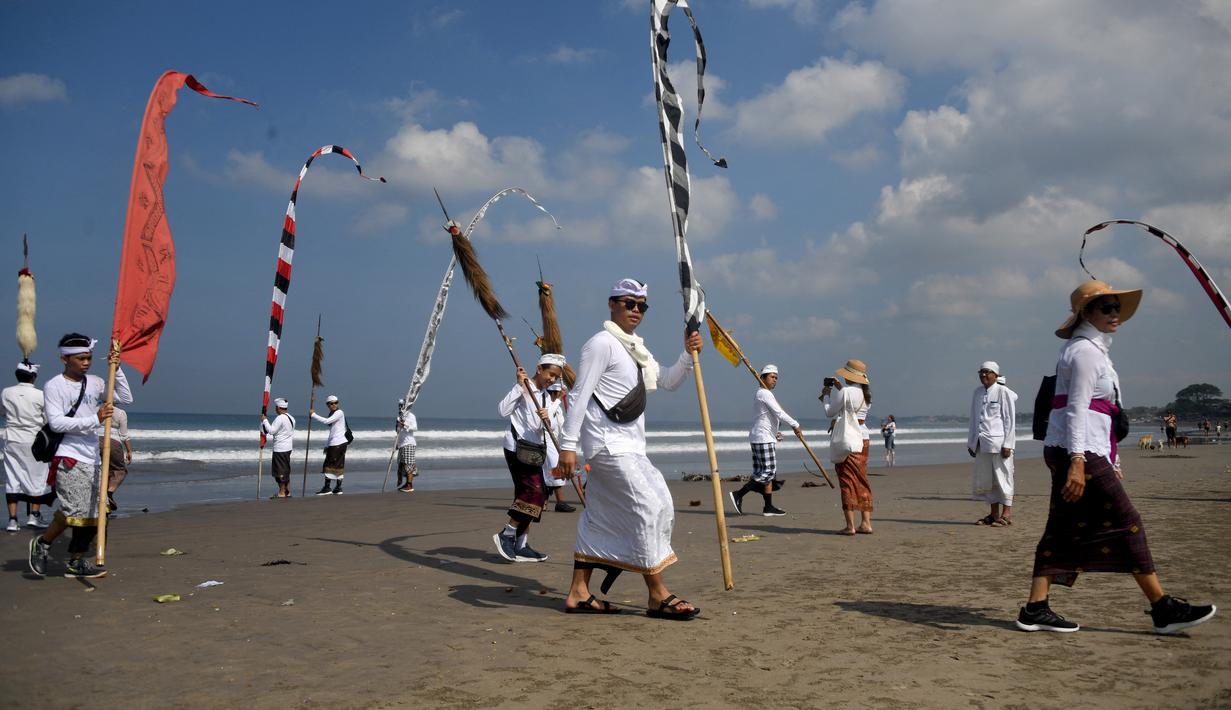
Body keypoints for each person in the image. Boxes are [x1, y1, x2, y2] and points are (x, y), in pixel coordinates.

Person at [1016, 280, 1216, 634]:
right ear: (1086, 313)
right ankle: (1162, 607)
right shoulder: (1085, 353)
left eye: (1117, 308)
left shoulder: (1094, 351)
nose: (1115, 314)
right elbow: (1077, 409)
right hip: (1077, 450)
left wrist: (1113, 460)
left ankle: (1035, 607)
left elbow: (1103, 414)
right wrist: (1078, 461)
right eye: (1106, 307)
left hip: (1080, 448)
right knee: (1128, 521)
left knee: (1061, 527)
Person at [559, 278, 703, 619]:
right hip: (608, 447)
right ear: (612, 304)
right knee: (651, 505)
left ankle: (578, 593)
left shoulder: (636, 348)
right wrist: (568, 446)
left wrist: (688, 352)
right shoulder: (601, 344)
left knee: (601, 517)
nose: (636, 310)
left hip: (632, 446)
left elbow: (667, 380)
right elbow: (578, 395)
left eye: (642, 306)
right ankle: (657, 594)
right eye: (628, 303)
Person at [28, 334, 132, 579]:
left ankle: (75, 560)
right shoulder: (55, 386)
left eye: (89, 358)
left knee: (97, 511)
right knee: (75, 510)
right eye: (81, 358)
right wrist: (93, 420)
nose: (86, 363)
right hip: (69, 455)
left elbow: (125, 398)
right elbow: (56, 423)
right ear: (65, 358)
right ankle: (42, 544)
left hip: (94, 456)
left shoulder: (95, 382)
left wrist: (116, 369)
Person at [493, 353, 565, 562]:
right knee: (534, 492)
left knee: (539, 495)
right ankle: (506, 534)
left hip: (534, 450)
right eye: (550, 374)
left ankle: (521, 544)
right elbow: (502, 411)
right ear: (539, 369)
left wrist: (549, 413)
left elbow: (539, 425)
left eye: (555, 377)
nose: (552, 379)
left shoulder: (542, 395)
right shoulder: (525, 388)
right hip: (517, 448)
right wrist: (518, 386)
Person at [730, 364, 799, 517]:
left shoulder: (763, 394)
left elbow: (768, 418)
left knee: (763, 473)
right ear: (762, 378)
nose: (775, 380)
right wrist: (796, 425)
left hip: (761, 436)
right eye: (772, 377)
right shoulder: (764, 393)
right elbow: (779, 413)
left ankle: (768, 507)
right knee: (768, 472)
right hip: (762, 438)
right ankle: (738, 494)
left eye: (776, 378)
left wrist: (776, 433)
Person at [822, 360, 873, 536]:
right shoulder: (866, 394)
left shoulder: (845, 391)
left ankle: (850, 525)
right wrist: (838, 388)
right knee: (861, 479)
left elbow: (830, 411)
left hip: (849, 439)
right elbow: (853, 408)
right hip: (863, 438)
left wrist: (826, 395)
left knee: (846, 481)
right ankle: (866, 523)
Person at [967, 361, 1018, 527]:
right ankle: (993, 514)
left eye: (987, 372)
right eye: (981, 372)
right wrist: (971, 442)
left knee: (1004, 477)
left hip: (1000, 443)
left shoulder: (1003, 392)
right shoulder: (977, 393)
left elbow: (1010, 419)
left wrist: (1008, 444)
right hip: (982, 443)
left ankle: (1007, 514)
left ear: (996, 375)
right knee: (988, 479)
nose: (983, 375)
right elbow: (974, 419)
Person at [4, 361, 51, 531]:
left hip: (12, 440)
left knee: (13, 478)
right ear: (34, 376)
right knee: (37, 478)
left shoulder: (6, 392)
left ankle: (12, 520)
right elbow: (48, 419)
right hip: (33, 440)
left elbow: (3, 411)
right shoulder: (40, 395)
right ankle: (34, 516)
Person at [544, 381, 576, 513]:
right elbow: (547, 419)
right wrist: (558, 400)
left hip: (556, 441)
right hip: (545, 440)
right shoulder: (546, 405)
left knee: (550, 472)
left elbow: (562, 425)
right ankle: (559, 502)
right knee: (555, 469)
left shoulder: (558, 409)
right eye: (558, 394)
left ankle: (545, 502)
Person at [310, 395, 349, 495]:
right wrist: (327, 445)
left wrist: (313, 415)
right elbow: (332, 431)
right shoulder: (333, 413)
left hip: (338, 443)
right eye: (331, 403)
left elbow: (327, 421)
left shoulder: (339, 412)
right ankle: (338, 488)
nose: (334, 405)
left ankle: (327, 488)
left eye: (336, 402)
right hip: (338, 443)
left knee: (329, 464)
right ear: (328, 405)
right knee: (338, 465)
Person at [260, 398, 295, 498]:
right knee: (286, 470)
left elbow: (271, 430)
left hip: (280, 448)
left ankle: (282, 492)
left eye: (276, 407)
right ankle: (288, 491)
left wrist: (265, 420)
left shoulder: (280, 418)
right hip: (288, 447)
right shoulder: (291, 418)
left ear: (279, 408)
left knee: (279, 471)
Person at [100, 405, 133, 512]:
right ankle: (109, 493)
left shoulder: (95, 407)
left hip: (94, 440)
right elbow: (124, 435)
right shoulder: (120, 413)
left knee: (99, 471)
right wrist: (129, 450)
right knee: (119, 471)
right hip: (112, 441)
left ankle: (100, 497)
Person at [395, 404, 418, 493]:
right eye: (399, 406)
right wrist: (397, 443)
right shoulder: (399, 417)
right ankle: (405, 483)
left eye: (402, 406)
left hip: (409, 443)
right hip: (402, 444)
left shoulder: (411, 416)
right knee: (402, 464)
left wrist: (404, 425)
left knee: (409, 464)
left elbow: (415, 428)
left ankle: (409, 485)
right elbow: (398, 431)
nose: (400, 408)